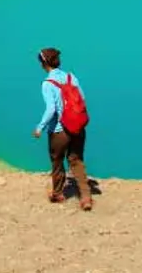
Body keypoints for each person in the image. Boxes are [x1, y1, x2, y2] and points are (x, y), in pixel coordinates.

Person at [32, 46, 92, 210]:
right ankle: (86, 197)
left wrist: (40, 127)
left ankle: (58, 194)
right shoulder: (71, 77)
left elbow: (51, 109)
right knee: (77, 160)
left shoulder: (47, 83)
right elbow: (82, 98)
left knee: (57, 161)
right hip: (78, 128)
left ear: (44, 64)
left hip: (60, 131)